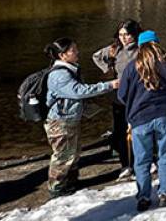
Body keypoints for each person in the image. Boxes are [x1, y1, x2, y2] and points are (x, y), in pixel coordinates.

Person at [44, 38, 118, 198]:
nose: (77, 52)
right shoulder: (59, 75)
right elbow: (79, 91)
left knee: (74, 152)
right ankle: (56, 188)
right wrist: (109, 85)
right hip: (60, 122)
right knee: (63, 155)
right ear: (62, 55)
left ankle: (70, 181)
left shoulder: (70, 69)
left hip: (70, 119)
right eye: (73, 50)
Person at [118, 31, 166, 212]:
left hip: (139, 119)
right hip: (164, 115)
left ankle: (144, 197)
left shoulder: (132, 67)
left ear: (139, 46)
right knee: (165, 156)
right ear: (157, 44)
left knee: (141, 160)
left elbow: (122, 95)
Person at [92, 19, 141, 179]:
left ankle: (143, 159)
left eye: (127, 34)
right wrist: (108, 69)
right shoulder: (114, 49)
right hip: (119, 96)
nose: (124, 38)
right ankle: (125, 163)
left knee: (140, 129)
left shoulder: (142, 48)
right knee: (120, 130)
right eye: (121, 35)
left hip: (139, 95)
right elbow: (96, 56)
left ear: (134, 34)